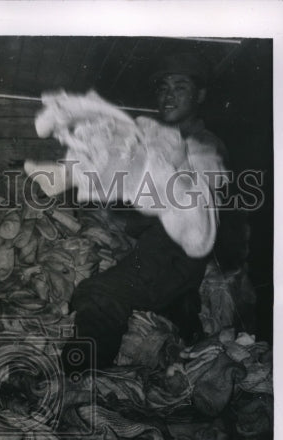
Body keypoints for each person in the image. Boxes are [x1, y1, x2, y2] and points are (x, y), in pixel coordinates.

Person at [66, 51, 234, 372]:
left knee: (97, 294)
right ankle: (179, 308)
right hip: (160, 249)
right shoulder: (168, 141)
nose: (168, 96)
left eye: (180, 87)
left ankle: (81, 381)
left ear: (200, 95)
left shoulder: (204, 146)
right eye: (163, 88)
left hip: (173, 255)